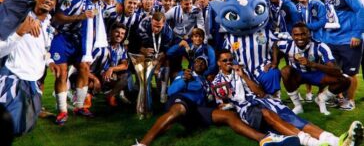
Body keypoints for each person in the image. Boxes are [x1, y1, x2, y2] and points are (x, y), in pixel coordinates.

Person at [132, 56, 300, 146]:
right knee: (178, 111)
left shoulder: (207, 82)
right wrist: (184, 80)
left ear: (206, 68)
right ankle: (143, 144)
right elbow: (170, 91)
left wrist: (224, 103)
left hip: (198, 109)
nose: (199, 63)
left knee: (230, 117)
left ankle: (265, 140)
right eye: (196, 61)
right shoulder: (186, 74)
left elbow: (215, 98)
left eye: (202, 63)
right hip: (182, 101)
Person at [212, 49, 364, 146]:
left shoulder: (243, 73)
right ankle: (314, 144)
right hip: (247, 108)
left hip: (264, 101)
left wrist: (243, 75)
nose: (229, 63)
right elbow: (222, 105)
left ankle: (337, 141)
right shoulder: (217, 83)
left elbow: (260, 93)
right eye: (225, 60)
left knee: (295, 119)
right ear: (219, 63)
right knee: (266, 114)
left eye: (231, 59)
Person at [0, 0, 60, 135]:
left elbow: (43, 49)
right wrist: (20, 32)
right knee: (8, 126)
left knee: (24, 127)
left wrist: (50, 61)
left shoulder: (48, 24)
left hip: (33, 81)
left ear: (54, 4)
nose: (48, 0)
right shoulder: (19, 19)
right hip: (13, 78)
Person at [275, 22, 351, 115]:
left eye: (303, 34)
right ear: (292, 35)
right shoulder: (287, 45)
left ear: (309, 34)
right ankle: (298, 106)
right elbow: (275, 45)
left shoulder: (320, 46)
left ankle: (321, 99)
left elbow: (336, 70)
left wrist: (312, 64)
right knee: (285, 70)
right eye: (297, 35)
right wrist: (275, 61)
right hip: (297, 74)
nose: (300, 38)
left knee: (345, 80)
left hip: (316, 74)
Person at [320, 0, 364, 110]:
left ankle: (350, 101)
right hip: (333, 41)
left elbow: (360, 11)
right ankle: (339, 98)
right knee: (335, 72)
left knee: (350, 73)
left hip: (349, 40)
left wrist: (357, 34)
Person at [293, 0, 327, 101]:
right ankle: (309, 92)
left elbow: (323, 21)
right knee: (306, 66)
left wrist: (306, 28)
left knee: (320, 67)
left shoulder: (318, 4)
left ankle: (320, 94)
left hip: (318, 40)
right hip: (304, 42)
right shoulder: (295, 8)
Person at [137, 12, 173, 103]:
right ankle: (143, 91)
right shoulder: (143, 24)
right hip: (145, 51)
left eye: (159, 26)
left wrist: (157, 65)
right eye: (154, 26)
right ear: (151, 21)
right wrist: (142, 49)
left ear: (164, 24)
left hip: (159, 51)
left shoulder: (168, 32)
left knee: (167, 61)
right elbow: (135, 42)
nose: (156, 29)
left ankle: (162, 91)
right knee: (141, 58)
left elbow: (165, 51)